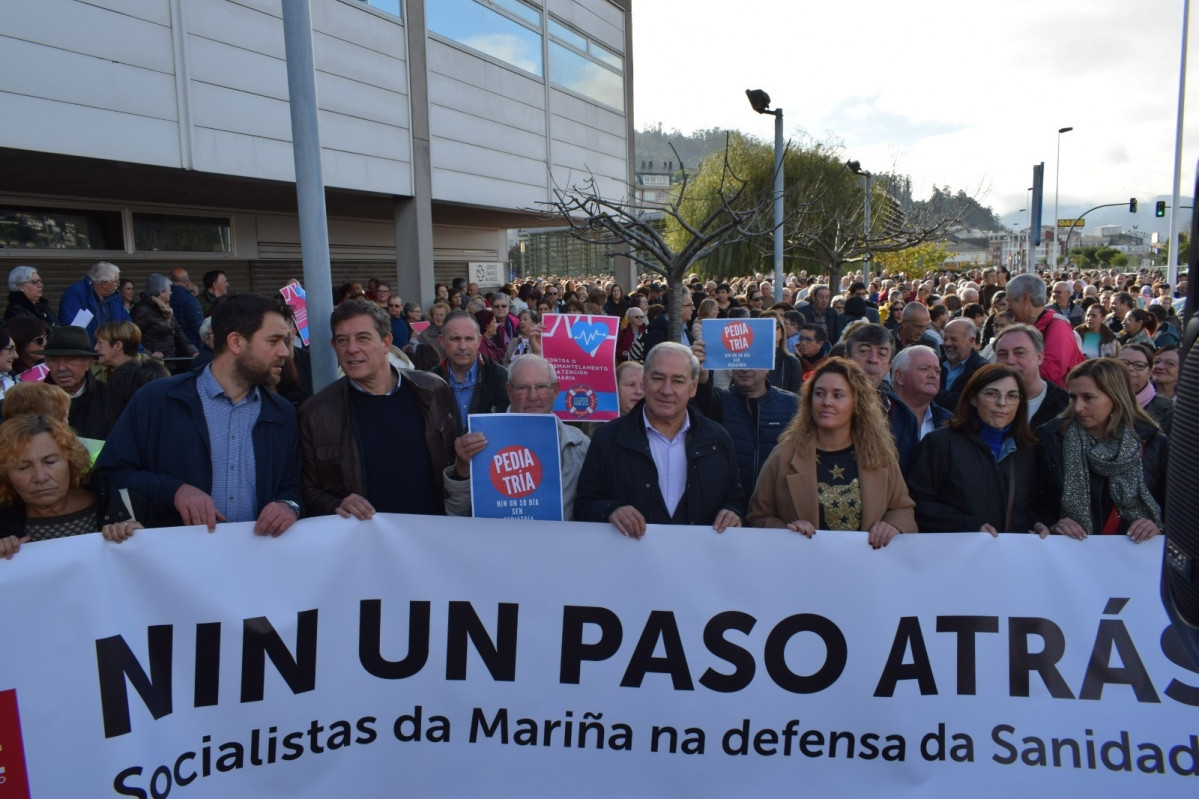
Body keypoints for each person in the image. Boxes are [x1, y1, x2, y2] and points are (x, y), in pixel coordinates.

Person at [96, 293, 303, 535]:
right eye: (273, 340)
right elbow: (111, 473)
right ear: (236, 342)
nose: (284, 352)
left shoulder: (282, 412)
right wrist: (173, 490)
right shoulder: (157, 399)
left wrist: (289, 506)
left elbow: (292, 487)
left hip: (257, 561)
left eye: (285, 341)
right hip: (175, 563)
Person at [299, 299, 455, 519]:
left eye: (363, 338)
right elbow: (307, 489)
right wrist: (337, 504)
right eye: (343, 340)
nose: (352, 349)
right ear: (334, 346)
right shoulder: (316, 412)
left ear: (386, 343)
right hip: (364, 544)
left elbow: (453, 466)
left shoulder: (433, 390)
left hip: (431, 538)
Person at [574, 342, 745, 536]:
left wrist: (734, 513)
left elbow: (735, 499)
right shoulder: (607, 438)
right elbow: (584, 504)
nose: (666, 389)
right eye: (658, 378)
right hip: (629, 560)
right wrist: (610, 510)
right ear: (645, 382)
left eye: (678, 381)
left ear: (693, 387)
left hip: (698, 562)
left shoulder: (718, 439)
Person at [747, 358, 916, 548]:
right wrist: (785, 531)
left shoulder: (879, 454)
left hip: (866, 569)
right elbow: (758, 516)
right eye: (819, 394)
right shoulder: (784, 455)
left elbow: (903, 508)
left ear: (856, 402)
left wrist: (892, 525)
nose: (826, 402)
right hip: (804, 568)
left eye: (837, 395)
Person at [1035, 358, 1167, 542]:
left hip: (1135, 558)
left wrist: (1157, 525)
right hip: (1070, 556)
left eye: (1088, 397)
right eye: (1073, 397)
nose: (1078, 407)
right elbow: (1034, 502)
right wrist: (1051, 524)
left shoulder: (1154, 443)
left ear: (1116, 397)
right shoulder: (1052, 440)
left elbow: (1179, 509)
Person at [444, 355, 590, 518]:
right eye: (522, 387)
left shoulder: (580, 443)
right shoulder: (478, 441)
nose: (533, 396)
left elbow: (590, 507)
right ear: (509, 391)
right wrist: (462, 469)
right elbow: (456, 514)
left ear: (555, 390)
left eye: (541, 386)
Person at [907, 364, 1040, 534]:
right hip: (958, 553)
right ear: (973, 398)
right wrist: (969, 525)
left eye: (1012, 396)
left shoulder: (1027, 449)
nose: (1002, 403)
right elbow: (916, 502)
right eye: (992, 394)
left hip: (1010, 555)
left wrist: (1037, 522)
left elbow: (1033, 504)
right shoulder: (940, 443)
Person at [0, 414, 143, 560]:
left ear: (71, 461)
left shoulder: (121, 502)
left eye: (50, 462)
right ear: (6, 475)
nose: (40, 477)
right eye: (23, 467)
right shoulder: (3, 522)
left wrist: (140, 538)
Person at [693, 340, 799, 497]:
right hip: (727, 504)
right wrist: (699, 374)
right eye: (739, 360)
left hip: (776, 504)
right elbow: (701, 397)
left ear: (768, 366)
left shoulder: (792, 405)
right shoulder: (719, 401)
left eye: (753, 360)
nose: (745, 367)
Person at [431, 311, 509, 433]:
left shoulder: (500, 377)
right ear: (442, 341)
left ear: (479, 341)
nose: (462, 346)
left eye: (469, 338)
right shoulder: (429, 382)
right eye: (455, 339)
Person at [1005, 273, 1083, 387]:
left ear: (1025, 299)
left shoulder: (1058, 327)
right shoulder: (1033, 325)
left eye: (1010, 301)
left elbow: (1050, 373)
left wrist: (1012, 385)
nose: (1007, 308)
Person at [40, 326, 111, 440]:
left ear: (89, 363)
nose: (61, 368)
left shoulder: (109, 397)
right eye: (53, 360)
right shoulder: (34, 401)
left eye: (70, 359)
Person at [131, 273, 199, 369]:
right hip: (151, 363)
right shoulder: (142, 310)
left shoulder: (166, 309)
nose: (171, 293)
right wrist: (149, 354)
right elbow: (133, 336)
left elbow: (178, 331)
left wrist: (193, 351)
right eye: (169, 290)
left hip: (168, 361)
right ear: (161, 292)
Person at [58, 261, 131, 342]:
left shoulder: (115, 296)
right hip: (87, 351)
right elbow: (70, 328)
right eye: (116, 281)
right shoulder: (75, 293)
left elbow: (127, 325)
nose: (118, 284)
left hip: (112, 350)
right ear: (105, 284)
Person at [891, 345, 951, 441]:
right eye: (924, 369)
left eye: (937, 371)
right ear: (899, 376)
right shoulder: (881, 415)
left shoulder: (948, 422)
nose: (933, 375)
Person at [1118, 342, 1174, 435]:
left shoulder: (1167, 409)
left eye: (1139, 365)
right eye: (1123, 363)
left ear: (1150, 372)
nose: (1130, 368)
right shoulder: (1100, 399)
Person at [935, 318, 985, 411]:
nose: (947, 343)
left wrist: (932, 394)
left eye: (953, 339)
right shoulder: (935, 364)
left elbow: (965, 402)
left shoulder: (981, 370)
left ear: (971, 341)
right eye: (945, 338)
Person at [765, 312, 801, 394]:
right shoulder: (749, 362)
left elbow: (796, 396)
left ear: (782, 331)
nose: (771, 330)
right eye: (765, 326)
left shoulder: (792, 362)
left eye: (775, 326)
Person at [169, 268, 205, 350]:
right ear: (187, 281)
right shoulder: (189, 298)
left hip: (172, 344)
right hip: (191, 344)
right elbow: (197, 324)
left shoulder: (165, 295)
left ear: (171, 280)